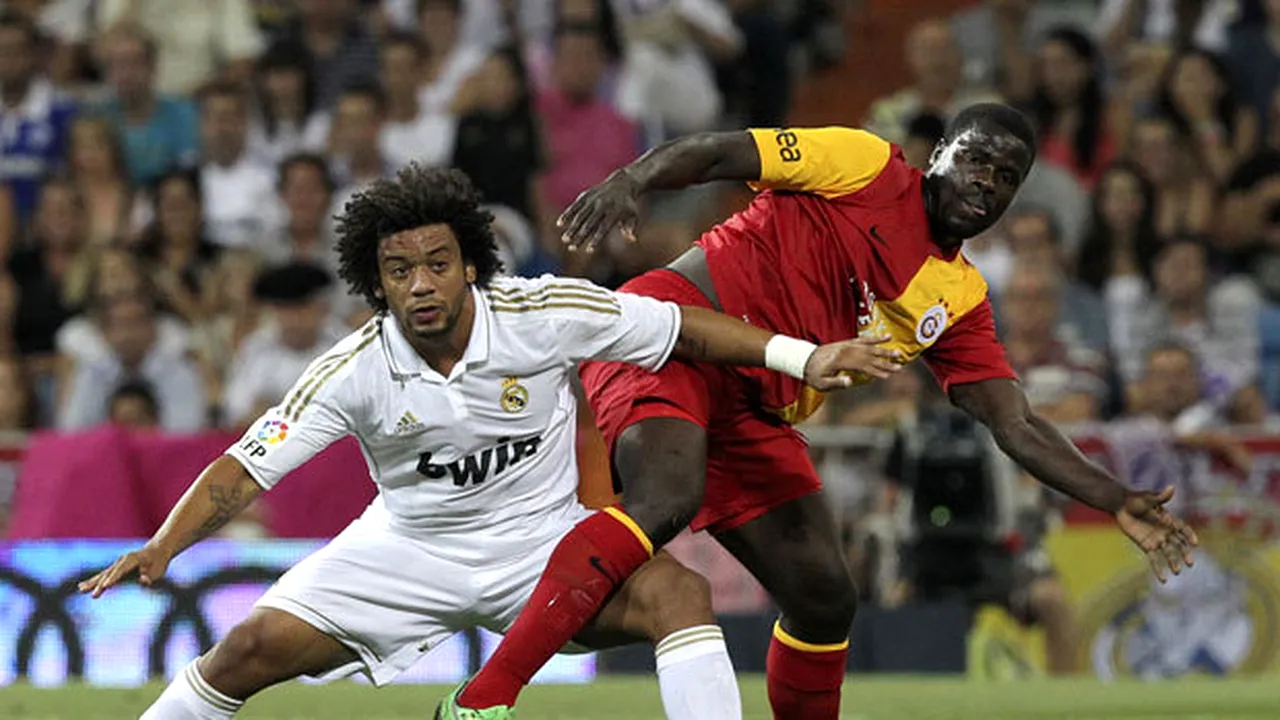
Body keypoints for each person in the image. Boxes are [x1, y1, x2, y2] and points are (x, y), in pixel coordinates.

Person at [448, 103, 1200, 720]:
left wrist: (1117, 498)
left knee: (824, 593)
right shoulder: (864, 163)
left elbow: (1015, 422)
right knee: (663, 497)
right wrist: (633, 179)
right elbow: (720, 152)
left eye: (1006, 177)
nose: (987, 183)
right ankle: (484, 700)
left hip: (757, 400)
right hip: (671, 330)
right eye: (976, 159)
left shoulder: (960, 299)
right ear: (938, 154)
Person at [78, 165, 898, 720]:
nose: (421, 283)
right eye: (400, 271)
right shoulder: (353, 369)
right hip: (405, 550)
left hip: (543, 546)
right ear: (379, 283)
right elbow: (244, 469)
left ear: (470, 265)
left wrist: (803, 355)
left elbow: (681, 327)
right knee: (247, 649)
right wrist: (164, 546)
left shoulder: (540, 314)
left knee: (679, 596)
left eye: (438, 263)